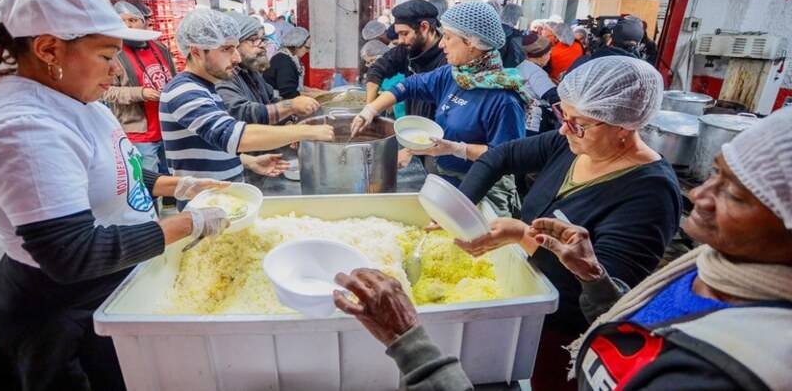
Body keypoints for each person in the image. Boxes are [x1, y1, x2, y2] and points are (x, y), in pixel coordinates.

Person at [334, 106, 792, 391]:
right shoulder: (708, 271)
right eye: (713, 174)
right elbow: (627, 319)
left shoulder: (728, 367)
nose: (699, 194)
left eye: (734, 193)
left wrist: (409, 342)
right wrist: (593, 276)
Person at [0, 0, 233, 390]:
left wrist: (180, 186)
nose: (117, 70)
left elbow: (118, 172)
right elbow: (72, 254)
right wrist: (189, 224)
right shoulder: (28, 128)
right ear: (48, 48)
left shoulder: (76, 97)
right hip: (63, 310)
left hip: (111, 281)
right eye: (106, 55)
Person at [456, 56, 681, 390]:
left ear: (624, 126)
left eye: (579, 123)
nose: (563, 128)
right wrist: (458, 207)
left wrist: (523, 235)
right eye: (564, 115)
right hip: (527, 305)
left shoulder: (651, 194)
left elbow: (604, 295)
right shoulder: (571, 146)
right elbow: (499, 157)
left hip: (566, 335)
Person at [352, 1, 532, 216]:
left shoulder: (504, 98)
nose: (441, 45)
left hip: (484, 192)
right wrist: (370, 110)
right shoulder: (454, 74)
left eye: (447, 37)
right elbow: (409, 86)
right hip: (446, 179)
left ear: (471, 43)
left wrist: (457, 149)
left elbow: (509, 157)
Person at [159, 9, 333, 206]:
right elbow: (235, 136)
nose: (236, 58)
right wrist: (307, 131)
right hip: (204, 206)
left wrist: (248, 161)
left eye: (235, 48)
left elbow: (211, 143)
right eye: (226, 49)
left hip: (223, 199)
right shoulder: (184, 91)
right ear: (197, 51)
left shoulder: (206, 87)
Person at [215, 13, 320, 188]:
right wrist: (292, 105)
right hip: (239, 168)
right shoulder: (225, 77)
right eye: (255, 40)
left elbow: (270, 99)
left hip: (261, 160)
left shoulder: (252, 72)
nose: (262, 46)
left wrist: (287, 121)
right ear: (231, 46)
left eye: (263, 40)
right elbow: (243, 112)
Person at [103, 0, 177, 174]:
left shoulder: (159, 47)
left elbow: (174, 77)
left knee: (172, 175)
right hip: (140, 134)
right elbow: (106, 92)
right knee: (148, 179)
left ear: (144, 22)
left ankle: (170, 202)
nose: (128, 25)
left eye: (133, 20)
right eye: (122, 21)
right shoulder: (114, 54)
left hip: (167, 127)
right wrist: (141, 93)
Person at [364, 0, 447, 121]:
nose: (400, 40)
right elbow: (377, 69)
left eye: (404, 33)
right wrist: (369, 109)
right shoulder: (406, 49)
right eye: (399, 34)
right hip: (412, 126)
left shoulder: (447, 56)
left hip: (437, 131)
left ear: (424, 27)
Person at [567, 17, 646, 74]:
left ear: (610, 40)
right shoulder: (642, 72)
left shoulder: (587, 63)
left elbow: (564, 89)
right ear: (638, 44)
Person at [262, 26, 323, 100]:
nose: (308, 51)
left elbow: (297, 86)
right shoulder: (283, 61)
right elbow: (289, 93)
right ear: (297, 44)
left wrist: (318, 92)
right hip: (276, 102)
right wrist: (318, 96)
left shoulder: (292, 58)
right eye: (306, 47)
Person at [516, 34, 559, 136]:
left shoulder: (521, 66)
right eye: (549, 54)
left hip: (521, 118)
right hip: (534, 122)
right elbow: (552, 95)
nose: (549, 57)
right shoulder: (536, 72)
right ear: (543, 55)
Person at [360, 39, 406, 119]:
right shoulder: (378, 77)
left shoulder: (399, 75)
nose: (371, 66)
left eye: (372, 61)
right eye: (367, 63)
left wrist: (388, 104)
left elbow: (402, 101)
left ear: (383, 57)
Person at [498, 3, 525, 68]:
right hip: (508, 72)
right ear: (516, 17)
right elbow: (518, 58)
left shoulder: (493, 28)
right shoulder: (516, 35)